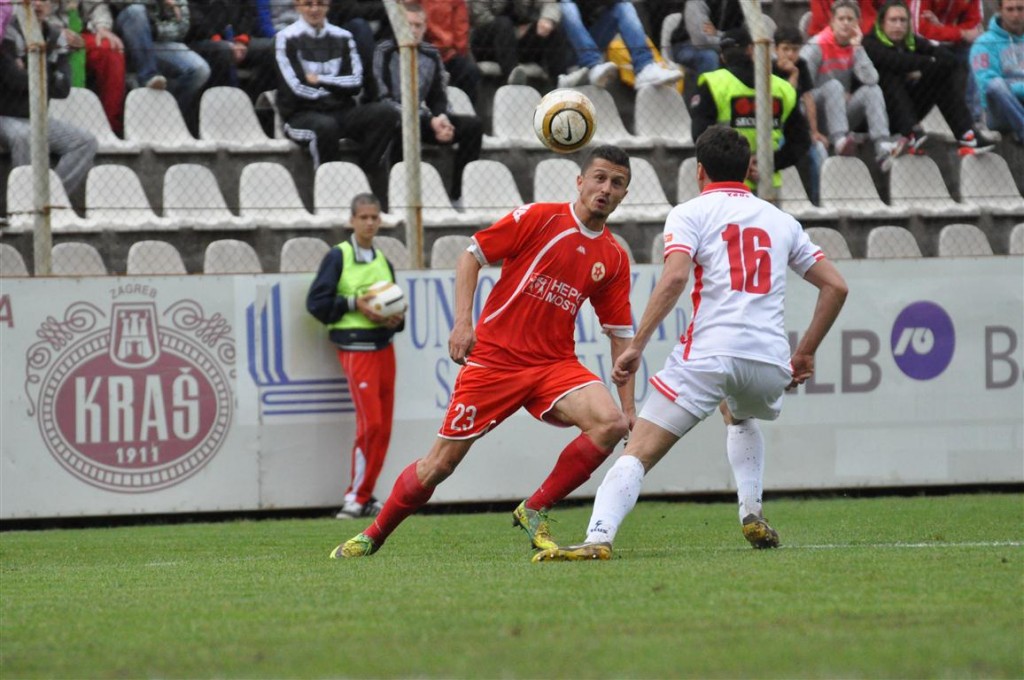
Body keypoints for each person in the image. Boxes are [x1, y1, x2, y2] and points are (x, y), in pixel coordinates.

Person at [533, 126, 849, 562]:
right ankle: (752, 511)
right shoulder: (782, 221)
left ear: (699, 171)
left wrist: (636, 345)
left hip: (709, 354)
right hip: (767, 359)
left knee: (638, 451)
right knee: (737, 415)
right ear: (749, 170)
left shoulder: (690, 213)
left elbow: (676, 277)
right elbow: (835, 287)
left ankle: (598, 537)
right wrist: (806, 351)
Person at [332, 144, 638, 559]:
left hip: (554, 364)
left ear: (624, 194)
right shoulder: (538, 217)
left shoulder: (615, 257)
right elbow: (471, 256)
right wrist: (463, 321)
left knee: (610, 423)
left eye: (617, 183)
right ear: (580, 181)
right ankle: (372, 534)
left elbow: (620, 334)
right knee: (439, 465)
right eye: (599, 178)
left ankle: (535, 508)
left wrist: (629, 405)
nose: (606, 188)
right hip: (496, 360)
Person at [306, 194, 405, 520]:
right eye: (363, 217)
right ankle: (355, 496)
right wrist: (355, 305)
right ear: (352, 220)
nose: (370, 223)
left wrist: (395, 319)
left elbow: (397, 309)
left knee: (384, 427)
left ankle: (363, 496)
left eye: (375, 217)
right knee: (370, 423)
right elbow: (317, 303)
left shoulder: (382, 260)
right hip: (355, 348)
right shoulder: (338, 256)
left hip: (384, 348)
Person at [275, 0, 401, 192]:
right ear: (297, 6)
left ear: (328, 6)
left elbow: (355, 83)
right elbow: (297, 87)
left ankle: (365, 176)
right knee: (325, 127)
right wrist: (335, 86)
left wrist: (320, 80)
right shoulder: (286, 38)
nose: (315, 9)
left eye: (320, 3)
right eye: (309, 4)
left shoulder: (344, 37)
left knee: (386, 113)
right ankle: (331, 192)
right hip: (302, 114)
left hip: (341, 111)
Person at [375, 3, 482, 204]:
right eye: (409, 25)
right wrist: (428, 119)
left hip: (423, 119)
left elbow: (438, 96)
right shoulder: (384, 51)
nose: (414, 30)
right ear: (398, 25)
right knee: (399, 127)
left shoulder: (431, 53)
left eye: (418, 25)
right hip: (393, 119)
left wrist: (442, 118)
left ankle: (457, 196)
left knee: (473, 126)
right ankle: (398, 197)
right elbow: (384, 99)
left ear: (425, 27)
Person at [864, 0, 994, 153]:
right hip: (877, 119)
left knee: (939, 76)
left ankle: (967, 134)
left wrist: (921, 70)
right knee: (888, 73)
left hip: (908, 111)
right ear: (882, 23)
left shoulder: (912, 41)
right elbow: (896, 61)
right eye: (893, 20)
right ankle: (911, 133)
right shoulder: (869, 43)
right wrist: (926, 62)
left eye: (903, 20)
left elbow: (950, 60)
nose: (898, 25)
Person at [691, 27, 811, 191]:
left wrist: (738, 164)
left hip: (726, 185)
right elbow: (802, 141)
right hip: (767, 182)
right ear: (751, 50)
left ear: (722, 56)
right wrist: (768, 163)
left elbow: (699, 135)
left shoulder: (713, 84)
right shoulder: (782, 88)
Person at [1, 0, 97, 195]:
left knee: (85, 142)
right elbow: (13, 80)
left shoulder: (56, 37)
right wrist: (49, 73)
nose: (37, 4)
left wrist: (31, 67)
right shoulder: (7, 33)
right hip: (5, 115)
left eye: (43, 0)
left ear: (51, 6)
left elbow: (63, 90)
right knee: (24, 136)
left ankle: (51, 198)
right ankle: (24, 203)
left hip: (36, 117)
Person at [801, 0, 901, 171]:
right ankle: (840, 141)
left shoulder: (854, 46)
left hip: (838, 112)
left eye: (850, 19)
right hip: (812, 114)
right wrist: (813, 129)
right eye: (841, 19)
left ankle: (882, 148)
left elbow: (872, 79)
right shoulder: (816, 45)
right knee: (834, 86)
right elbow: (801, 88)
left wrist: (858, 48)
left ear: (857, 24)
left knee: (872, 90)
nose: (846, 23)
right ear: (832, 21)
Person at [82, 0, 211, 132]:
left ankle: (165, 117)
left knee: (199, 70)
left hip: (158, 43)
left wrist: (154, 30)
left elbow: (182, 26)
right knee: (135, 11)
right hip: (124, 38)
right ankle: (148, 76)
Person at [557, 0, 683, 89]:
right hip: (565, 49)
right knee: (566, 4)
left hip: (593, 42)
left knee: (622, 5)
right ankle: (591, 63)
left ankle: (645, 66)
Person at [773, 25, 829, 203]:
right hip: (775, 127)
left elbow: (808, 98)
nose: (790, 54)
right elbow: (784, 102)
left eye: (795, 49)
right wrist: (793, 75)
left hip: (796, 125)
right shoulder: (768, 68)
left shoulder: (801, 65)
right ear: (776, 49)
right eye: (785, 49)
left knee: (818, 152)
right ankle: (780, 199)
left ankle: (817, 200)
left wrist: (814, 131)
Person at [909, 0, 985, 122]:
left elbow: (974, 29)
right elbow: (919, 31)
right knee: (943, 60)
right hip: (919, 47)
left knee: (976, 52)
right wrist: (960, 33)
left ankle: (972, 121)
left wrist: (942, 29)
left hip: (951, 43)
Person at [188, 0, 277, 101]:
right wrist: (217, 39)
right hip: (205, 42)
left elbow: (249, 14)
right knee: (224, 50)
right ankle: (225, 103)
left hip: (239, 41)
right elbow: (197, 21)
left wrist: (241, 41)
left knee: (272, 47)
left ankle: (256, 102)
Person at [468, 0, 571, 85]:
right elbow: (479, 16)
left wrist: (547, 19)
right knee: (503, 24)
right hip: (486, 44)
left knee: (552, 28)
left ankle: (561, 80)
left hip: (516, 42)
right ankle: (513, 76)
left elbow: (550, 3)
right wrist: (513, 32)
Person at [970, 0, 1024, 143]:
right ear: (1000, 10)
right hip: (995, 112)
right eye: (1010, 9)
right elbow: (987, 85)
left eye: (1020, 9)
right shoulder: (984, 43)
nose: (1016, 15)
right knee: (997, 85)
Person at [419, 0, 481, 104]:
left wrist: (457, 50)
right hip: (420, 53)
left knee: (470, 72)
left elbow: (460, 27)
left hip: (446, 54)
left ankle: (469, 113)